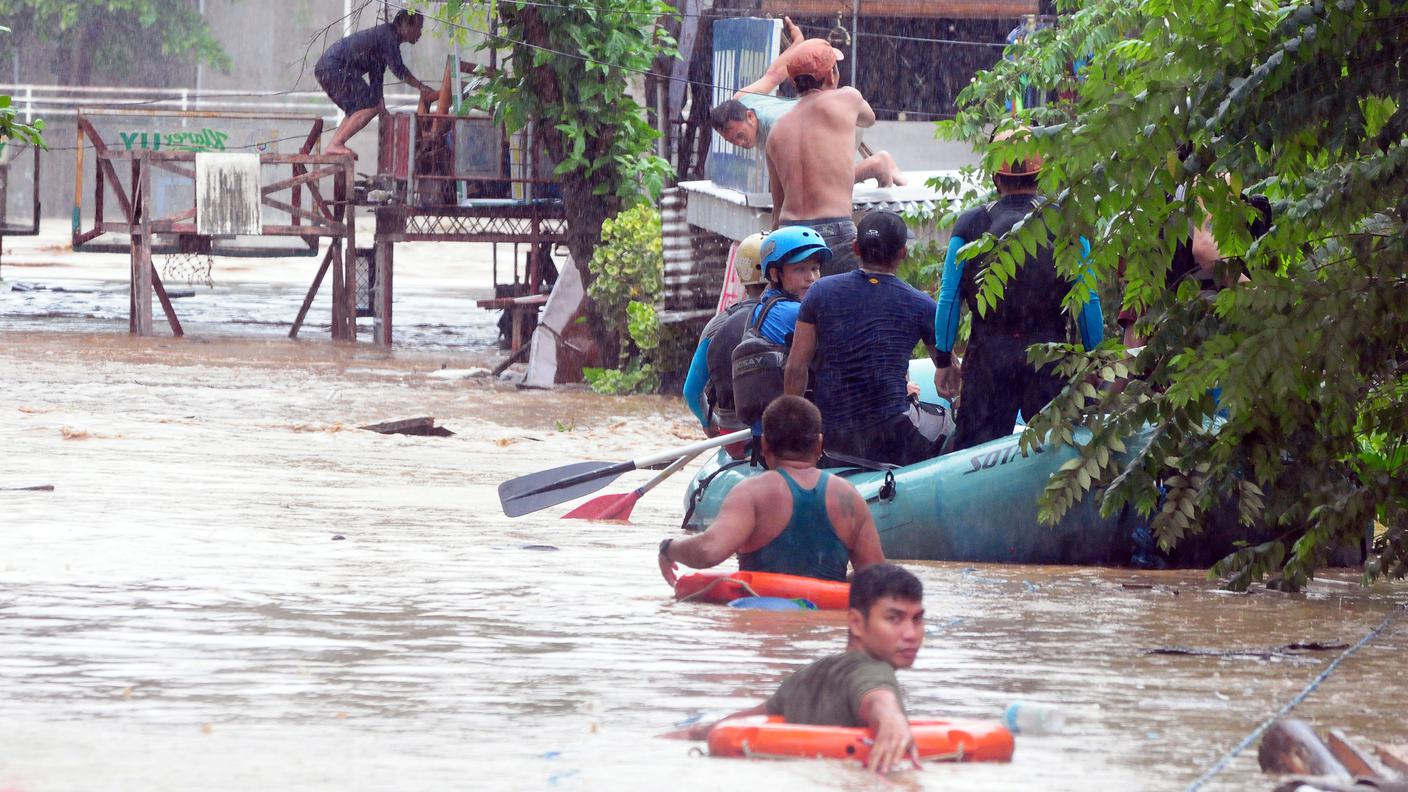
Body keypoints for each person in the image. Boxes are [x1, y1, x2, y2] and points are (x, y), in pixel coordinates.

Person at [933, 128, 1104, 451]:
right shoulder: (1068, 221)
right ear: (1040, 175)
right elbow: (1088, 299)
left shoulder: (970, 226)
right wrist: (1097, 362)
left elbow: (949, 298)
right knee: (1057, 455)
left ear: (995, 177)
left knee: (974, 459)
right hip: (1051, 357)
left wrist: (944, 360)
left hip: (988, 359)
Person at [671, 562, 926, 776]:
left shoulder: (805, 677)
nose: (911, 634)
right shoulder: (874, 672)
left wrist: (692, 733)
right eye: (894, 619)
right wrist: (892, 719)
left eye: (917, 619)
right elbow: (878, 698)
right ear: (856, 623)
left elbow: (740, 721)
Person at [658, 395, 884, 585]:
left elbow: (709, 551)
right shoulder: (849, 496)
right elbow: (876, 577)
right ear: (819, 445)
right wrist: (836, 587)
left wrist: (669, 548)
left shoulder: (751, 493)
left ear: (764, 444)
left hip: (763, 624)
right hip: (826, 628)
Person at [783, 210, 945, 466]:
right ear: (903, 253)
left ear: (855, 248)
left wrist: (793, 434)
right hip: (892, 439)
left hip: (835, 437)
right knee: (947, 425)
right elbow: (947, 376)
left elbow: (796, 368)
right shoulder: (923, 305)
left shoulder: (820, 292)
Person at [709, 20, 905, 189]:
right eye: (732, 141)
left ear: (750, 116)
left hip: (839, 123)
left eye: (740, 136)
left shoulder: (779, 129)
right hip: (823, 112)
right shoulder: (740, 99)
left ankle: (878, 164)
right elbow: (775, 74)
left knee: (825, 186)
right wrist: (797, 44)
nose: (740, 144)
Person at [764, 40, 879, 276]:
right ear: (831, 73)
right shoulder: (847, 98)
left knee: (798, 311)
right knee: (846, 311)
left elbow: (777, 207)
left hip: (789, 234)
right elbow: (869, 119)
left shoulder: (776, 130)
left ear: (794, 82)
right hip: (834, 229)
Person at [729, 225, 829, 427]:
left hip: (768, 424)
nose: (810, 277)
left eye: (814, 268)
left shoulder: (767, 301)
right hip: (785, 426)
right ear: (775, 274)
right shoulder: (792, 312)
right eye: (799, 269)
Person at [314, 10, 439, 157]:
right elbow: (399, 70)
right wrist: (421, 87)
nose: (420, 33)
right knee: (369, 107)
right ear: (405, 24)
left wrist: (381, 105)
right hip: (334, 68)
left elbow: (376, 76)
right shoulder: (388, 36)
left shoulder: (383, 38)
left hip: (328, 68)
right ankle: (336, 143)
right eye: (419, 27)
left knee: (358, 110)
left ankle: (334, 145)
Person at [682, 233, 769, 434]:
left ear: (740, 275)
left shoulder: (718, 323)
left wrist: (708, 423)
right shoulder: (797, 314)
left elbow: (692, 392)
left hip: (732, 436)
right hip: (780, 434)